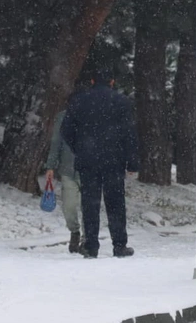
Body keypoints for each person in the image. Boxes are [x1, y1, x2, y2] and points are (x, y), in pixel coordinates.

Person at [62, 68, 139, 259]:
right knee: (115, 203)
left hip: (88, 159)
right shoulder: (121, 102)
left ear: (92, 80)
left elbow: (66, 130)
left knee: (90, 203)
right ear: (112, 81)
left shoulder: (80, 101)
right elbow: (129, 134)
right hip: (114, 159)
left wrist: (79, 147)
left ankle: (91, 245)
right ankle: (119, 244)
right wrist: (132, 162)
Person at [44, 83, 88, 253]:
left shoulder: (95, 118)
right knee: (68, 206)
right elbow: (56, 142)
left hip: (89, 169)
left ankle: (86, 238)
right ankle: (75, 231)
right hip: (68, 169)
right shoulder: (62, 117)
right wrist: (50, 166)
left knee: (88, 207)